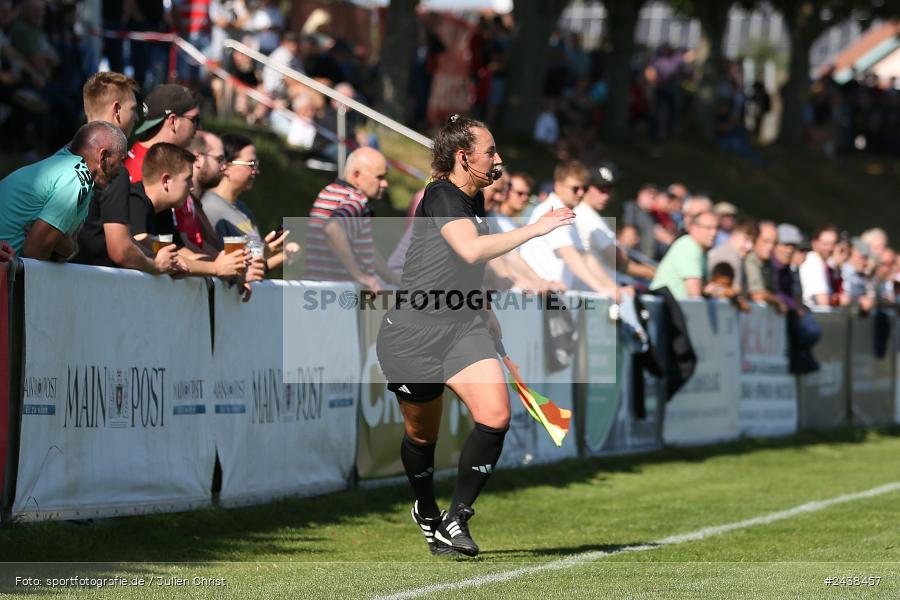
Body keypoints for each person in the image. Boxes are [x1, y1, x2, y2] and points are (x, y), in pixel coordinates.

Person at [375, 115, 574, 558]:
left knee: (496, 415)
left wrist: (484, 307)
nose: (498, 159)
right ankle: (426, 509)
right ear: (464, 157)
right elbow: (469, 249)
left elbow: (464, 267)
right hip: (412, 335)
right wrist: (536, 228)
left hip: (462, 326)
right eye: (491, 152)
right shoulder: (442, 195)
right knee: (422, 436)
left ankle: (457, 517)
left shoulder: (474, 197)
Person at [72, 72, 183, 275]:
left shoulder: (63, 156)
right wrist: (157, 266)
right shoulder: (112, 170)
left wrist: (151, 256)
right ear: (116, 110)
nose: (137, 118)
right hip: (93, 283)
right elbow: (120, 250)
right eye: (133, 109)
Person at [0, 121, 127, 259]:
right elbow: (34, 250)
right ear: (103, 156)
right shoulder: (77, 179)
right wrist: (63, 245)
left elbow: (67, 248)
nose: (120, 170)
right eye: (121, 160)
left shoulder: (66, 163)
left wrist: (67, 246)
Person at [519, 160, 619, 298]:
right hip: (535, 295)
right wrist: (602, 289)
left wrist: (613, 288)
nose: (580, 193)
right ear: (558, 186)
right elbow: (569, 255)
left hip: (552, 295)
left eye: (584, 188)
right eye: (575, 188)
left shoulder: (568, 214)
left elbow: (585, 257)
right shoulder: (551, 210)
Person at [202, 132, 298, 272]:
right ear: (226, 166)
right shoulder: (209, 208)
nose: (256, 171)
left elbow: (252, 268)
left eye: (256, 164)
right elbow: (223, 267)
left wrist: (284, 255)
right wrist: (264, 251)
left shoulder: (242, 208)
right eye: (251, 164)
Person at [303, 147, 397, 288]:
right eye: (380, 177)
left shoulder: (328, 192)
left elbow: (366, 250)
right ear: (357, 175)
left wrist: (391, 277)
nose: (385, 184)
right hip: (337, 291)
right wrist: (358, 275)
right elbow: (332, 228)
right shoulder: (356, 201)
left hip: (312, 285)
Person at [650, 210, 718, 299]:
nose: (714, 233)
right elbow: (694, 296)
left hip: (674, 304)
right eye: (708, 228)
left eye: (717, 228)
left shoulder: (699, 249)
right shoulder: (689, 247)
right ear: (694, 228)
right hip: (667, 305)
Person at [744, 221, 786, 313]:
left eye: (774, 243)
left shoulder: (769, 264)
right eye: (766, 241)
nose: (770, 247)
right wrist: (777, 301)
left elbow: (773, 291)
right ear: (755, 239)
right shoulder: (750, 260)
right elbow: (757, 294)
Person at [707, 218, 756, 293]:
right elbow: (718, 290)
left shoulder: (729, 252)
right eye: (746, 239)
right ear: (734, 236)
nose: (750, 246)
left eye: (753, 241)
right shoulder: (731, 257)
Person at [800, 226, 838, 306]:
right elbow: (823, 302)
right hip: (814, 313)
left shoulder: (826, 264)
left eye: (833, 244)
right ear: (814, 243)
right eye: (826, 244)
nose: (830, 248)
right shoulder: (813, 261)